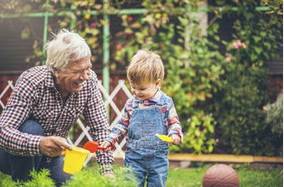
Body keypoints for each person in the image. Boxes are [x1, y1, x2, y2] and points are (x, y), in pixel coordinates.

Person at [0, 29, 113, 186]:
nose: (86, 76)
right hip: (13, 156)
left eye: (88, 68)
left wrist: (107, 170)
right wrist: (38, 143)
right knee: (32, 127)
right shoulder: (32, 82)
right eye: (78, 71)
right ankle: (23, 182)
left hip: (50, 158)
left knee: (70, 182)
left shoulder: (89, 82)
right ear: (57, 69)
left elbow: (100, 128)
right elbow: (3, 131)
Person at [101, 50, 183, 187]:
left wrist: (175, 134)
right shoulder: (131, 104)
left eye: (142, 89)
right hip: (134, 157)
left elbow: (173, 122)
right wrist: (111, 138)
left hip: (158, 159)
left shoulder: (165, 103)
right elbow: (122, 124)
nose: (136, 92)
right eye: (133, 88)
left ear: (157, 84)